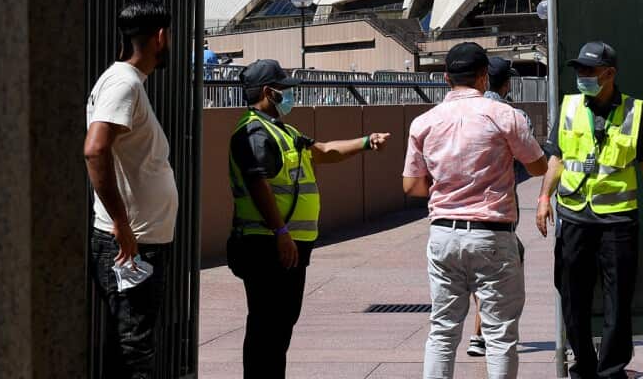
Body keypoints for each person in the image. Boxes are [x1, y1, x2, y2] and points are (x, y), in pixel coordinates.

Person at [227, 58, 391, 378]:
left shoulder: (283, 130)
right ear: (267, 92)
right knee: (266, 327)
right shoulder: (254, 133)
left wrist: (365, 142)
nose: (288, 96)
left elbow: (324, 151)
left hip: (287, 245)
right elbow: (257, 183)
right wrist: (281, 232)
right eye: (283, 91)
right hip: (266, 245)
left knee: (280, 326)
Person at [403, 42, 550, 379]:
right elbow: (539, 166)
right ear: (484, 77)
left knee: (442, 331)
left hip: (443, 232)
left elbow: (411, 186)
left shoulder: (423, 122)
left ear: (445, 78)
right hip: (491, 234)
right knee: (500, 335)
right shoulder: (504, 115)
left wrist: (448, 190)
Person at [536, 41, 643, 379]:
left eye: (589, 70)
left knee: (618, 297)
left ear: (609, 73)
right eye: (578, 69)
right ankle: (585, 365)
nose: (582, 76)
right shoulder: (569, 107)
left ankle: (611, 370)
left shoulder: (635, 111)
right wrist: (544, 198)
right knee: (572, 295)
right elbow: (557, 158)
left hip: (618, 220)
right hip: (575, 215)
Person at [83, 0, 179, 379]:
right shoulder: (123, 83)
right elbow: (95, 148)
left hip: (138, 240)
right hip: (131, 244)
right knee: (133, 350)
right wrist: (122, 225)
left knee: (132, 343)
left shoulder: (127, 82)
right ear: (160, 37)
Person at [466, 57, 532, 358]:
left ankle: (479, 334)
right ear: (506, 83)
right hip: (498, 212)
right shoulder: (512, 115)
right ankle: (486, 335)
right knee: (502, 272)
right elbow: (533, 161)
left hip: (457, 213)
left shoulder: (459, 112)